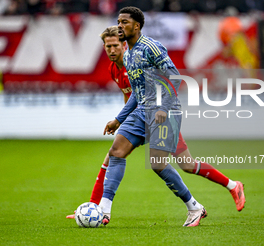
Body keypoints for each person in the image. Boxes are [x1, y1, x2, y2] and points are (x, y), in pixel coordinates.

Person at [67, 23, 246, 219]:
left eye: (115, 46)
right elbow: (131, 98)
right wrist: (125, 121)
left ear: (124, 45)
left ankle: (230, 187)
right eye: (108, 46)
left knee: (185, 164)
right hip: (141, 119)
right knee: (114, 155)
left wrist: (120, 119)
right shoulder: (114, 69)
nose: (111, 50)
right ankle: (97, 208)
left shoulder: (134, 64)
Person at [99, 6, 207, 227]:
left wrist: (163, 107)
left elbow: (175, 78)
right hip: (142, 111)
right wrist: (118, 119)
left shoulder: (151, 47)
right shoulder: (127, 53)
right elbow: (136, 94)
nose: (120, 25)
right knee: (116, 151)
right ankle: (103, 209)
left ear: (136, 26)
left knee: (158, 164)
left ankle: (194, 207)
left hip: (166, 111)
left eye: (124, 22)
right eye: (118, 21)